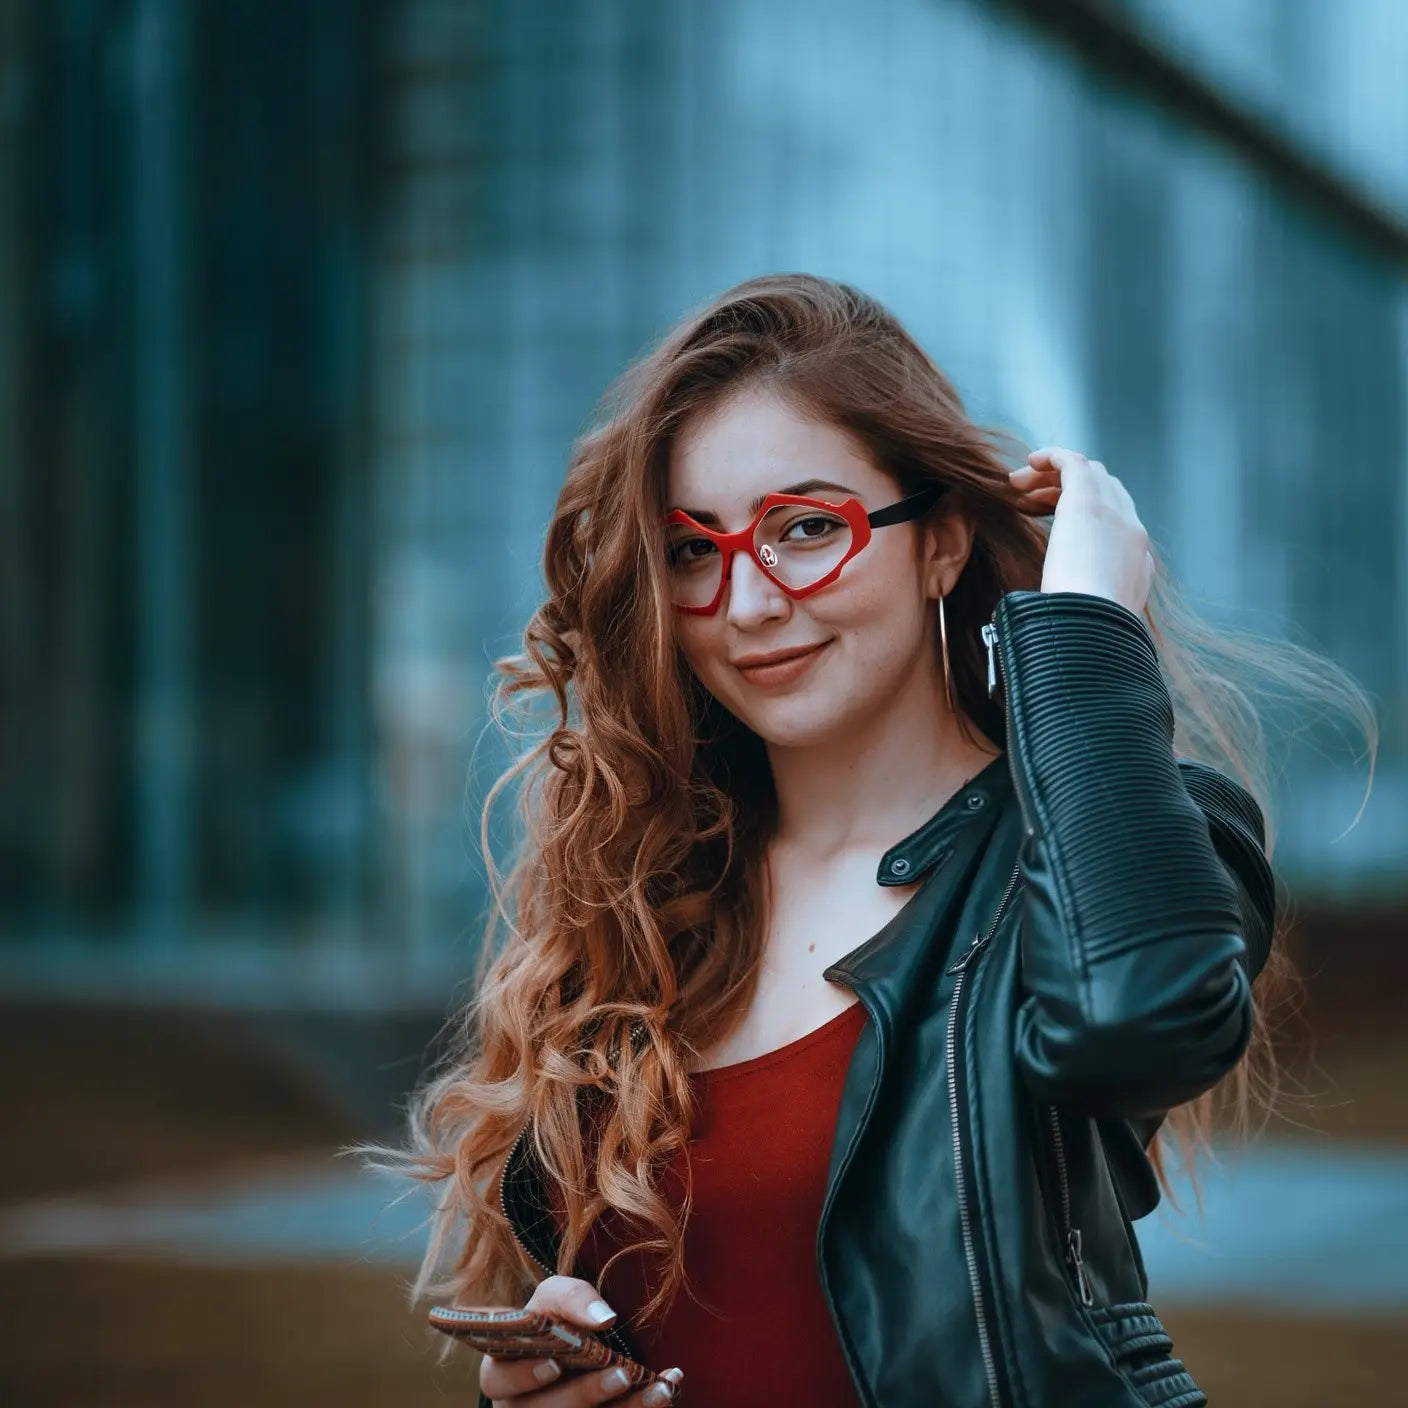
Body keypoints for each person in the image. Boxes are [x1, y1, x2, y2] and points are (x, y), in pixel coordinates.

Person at [364, 274, 1375, 1407]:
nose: (746, 601)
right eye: (693, 550)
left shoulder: (1128, 829)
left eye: (806, 528)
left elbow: (1136, 1019)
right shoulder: (648, 894)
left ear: (939, 543)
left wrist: (1086, 630)